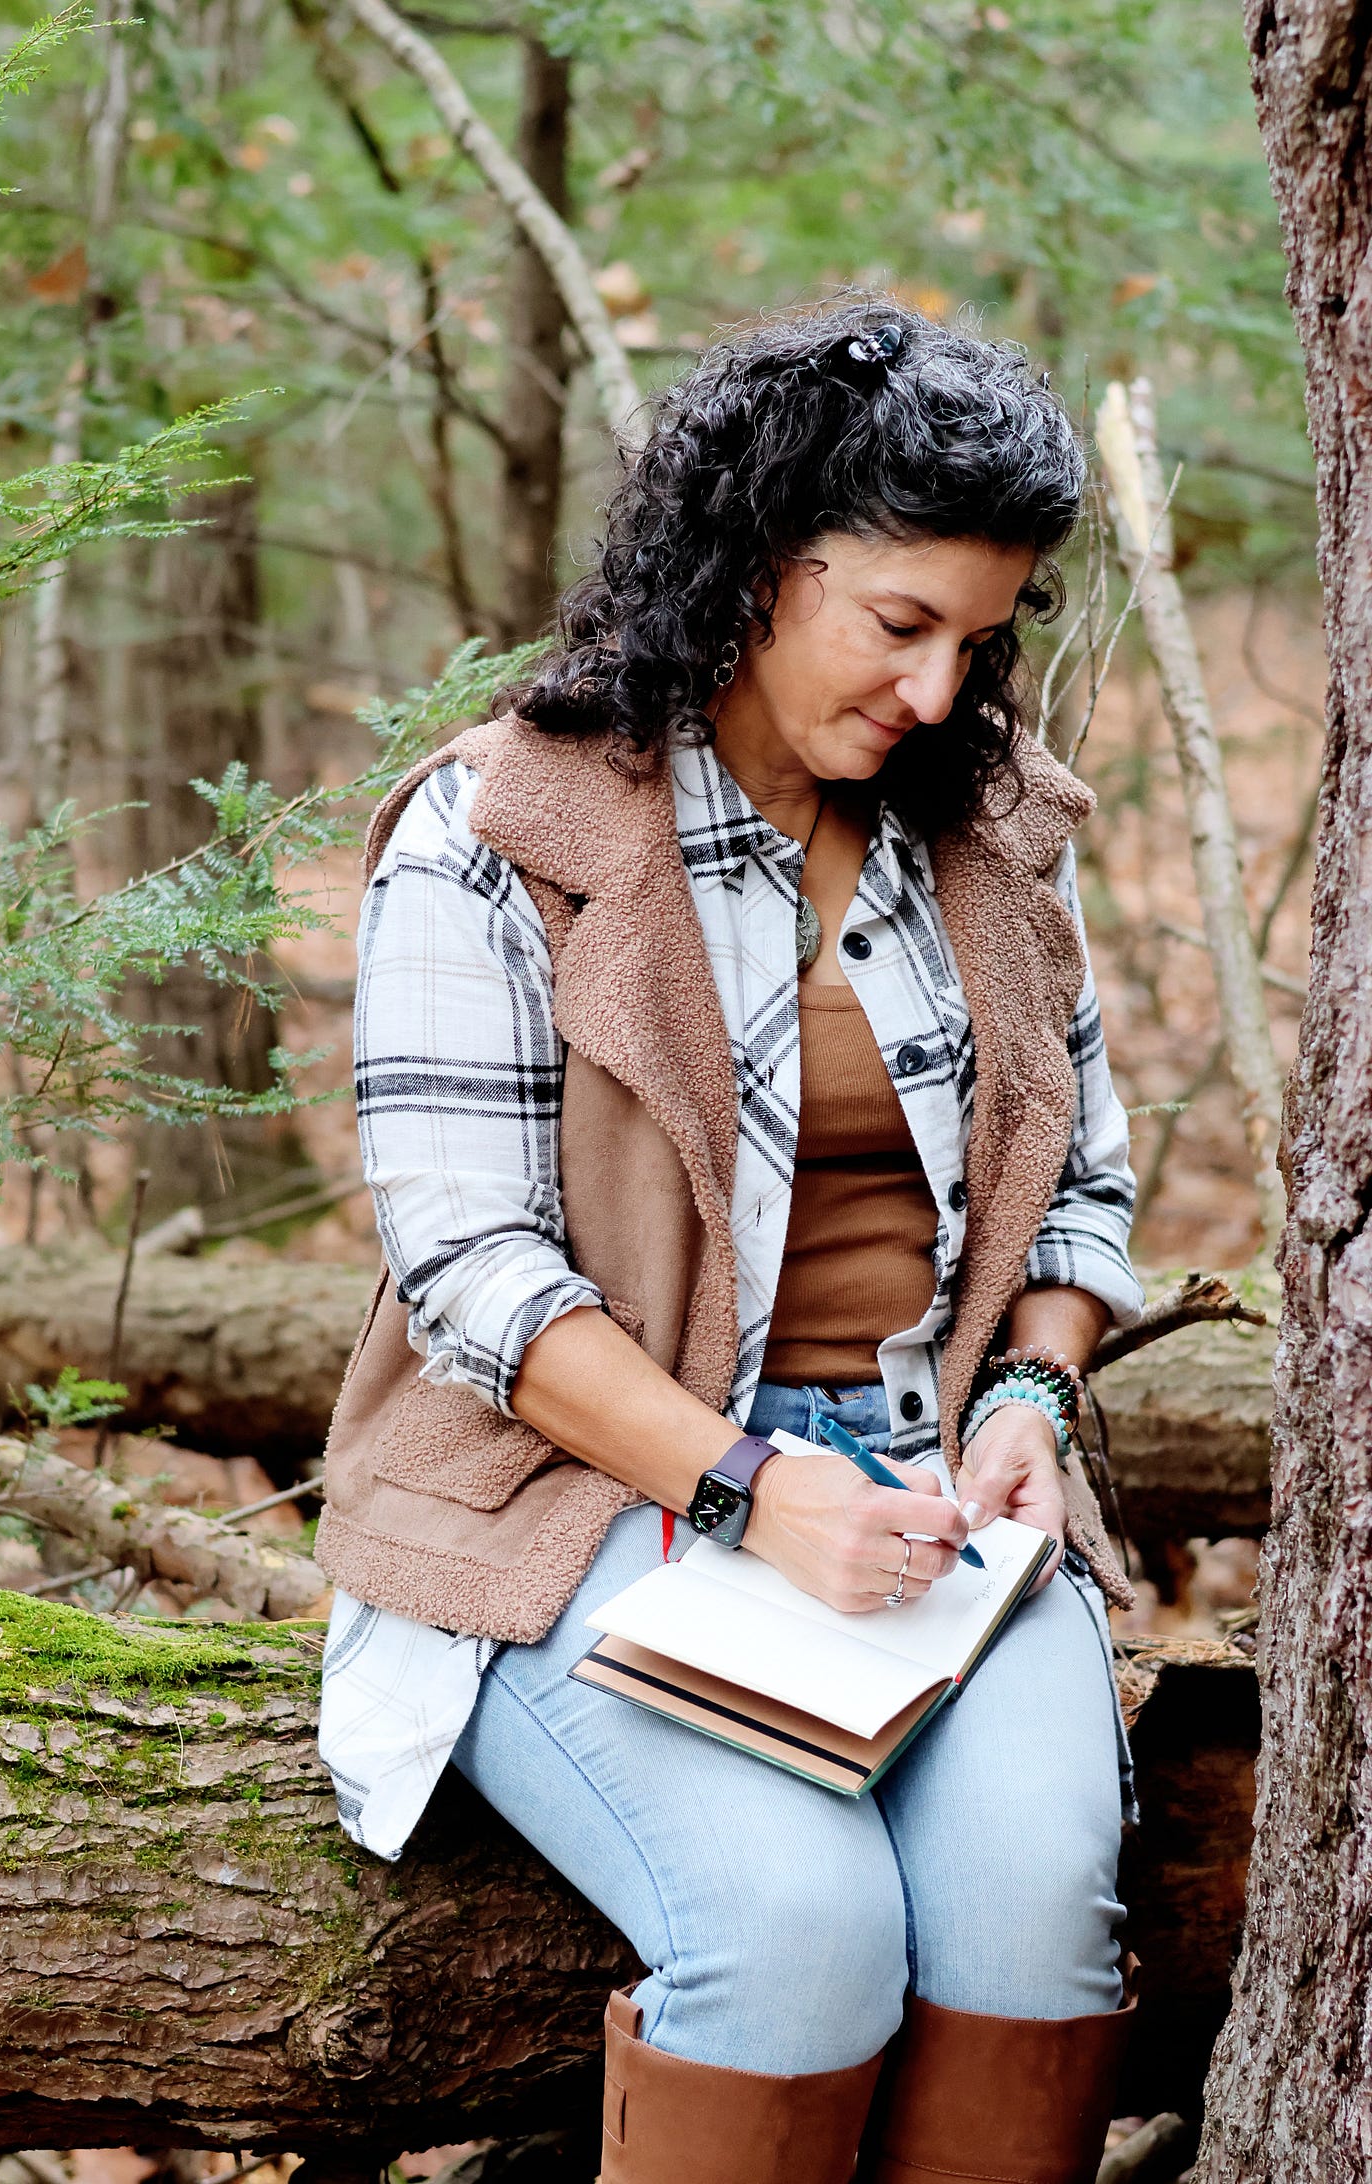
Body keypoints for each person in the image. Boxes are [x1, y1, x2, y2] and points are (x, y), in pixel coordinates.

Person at [315, 298, 1144, 2184]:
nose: (942, 695)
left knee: (1036, 1923)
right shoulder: (499, 824)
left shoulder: (995, 832)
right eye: (900, 625)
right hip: (585, 1494)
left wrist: (1028, 1384)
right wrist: (757, 1490)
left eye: (984, 638)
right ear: (764, 559)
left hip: (929, 1498)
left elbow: (1083, 1187)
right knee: (796, 1936)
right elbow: (478, 1284)